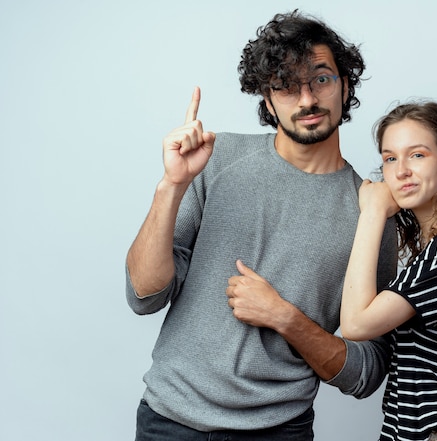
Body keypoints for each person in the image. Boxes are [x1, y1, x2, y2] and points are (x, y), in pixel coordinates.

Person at [125, 10, 397, 441]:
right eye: (286, 86)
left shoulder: (373, 211)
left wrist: (287, 319)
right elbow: (144, 295)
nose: (306, 99)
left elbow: (368, 371)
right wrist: (171, 186)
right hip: (167, 422)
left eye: (321, 79)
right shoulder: (216, 160)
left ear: (345, 86)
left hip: (277, 431)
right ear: (267, 101)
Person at [340, 101, 437, 441]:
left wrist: (373, 211)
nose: (401, 171)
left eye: (418, 155)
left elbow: (354, 324)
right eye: (390, 158)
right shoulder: (435, 248)